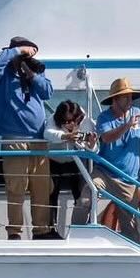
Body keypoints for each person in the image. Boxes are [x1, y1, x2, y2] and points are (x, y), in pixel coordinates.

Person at [74, 78, 140, 243]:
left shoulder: (137, 113)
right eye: (125, 97)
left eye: (131, 97)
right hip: (104, 172)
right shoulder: (104, 117)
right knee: (86, 199)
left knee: (130, 225)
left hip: (128, 178)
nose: (129, 100)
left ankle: (132, 255)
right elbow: (106, 138)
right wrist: (127, 125)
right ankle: (76, 235)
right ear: (115, 99)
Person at [0, 36, 55, 240]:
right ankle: (15, 232)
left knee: (41, 187)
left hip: (39, 138)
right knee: (16, 187)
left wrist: (32, 74)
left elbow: (48, 92)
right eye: (24, 53)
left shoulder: (34, 72)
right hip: (15, 138)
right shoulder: (2, 73)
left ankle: (42, 229)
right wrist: (19, 51)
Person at [46, 100, 96, 234]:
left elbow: (93, 149)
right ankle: (51, 230)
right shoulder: (52, 119)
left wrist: (89, 144)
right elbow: (48, 134)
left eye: (73, 121)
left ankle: (81, 229)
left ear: (78, 117)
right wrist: (66, 136)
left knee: (81, 195)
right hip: (54, 160)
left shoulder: (86, 122)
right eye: (65, 122)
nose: (70, 124)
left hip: (76, 161)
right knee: (51, 194)